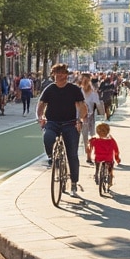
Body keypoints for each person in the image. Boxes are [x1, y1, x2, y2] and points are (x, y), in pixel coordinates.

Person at [37, 64, 87, 194]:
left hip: (70, 123)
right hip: (52, 122)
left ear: (66, 75)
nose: (59, 75)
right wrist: (40, 117)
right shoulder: (49, 89)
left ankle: (74, 182)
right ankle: (53, 158)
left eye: (62, 73)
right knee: (47, 137)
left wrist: (80, 120)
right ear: (53, 75)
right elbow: (41, 105)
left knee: (72, 154)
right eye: (57, 73)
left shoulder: (74, 89)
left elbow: (82, 106)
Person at [89, 122, 122, 189]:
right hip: (108, 158)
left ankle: (96, 173)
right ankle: (110, 178)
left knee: (97, 165)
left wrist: (89, 153)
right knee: (110, 168)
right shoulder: (111, 140)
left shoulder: (94, 140)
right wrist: (117, 158)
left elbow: (89, 148)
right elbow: (116, 150)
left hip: (98, 158)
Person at [79, 72, 101, 164]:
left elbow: (98, 104)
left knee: (86, 137)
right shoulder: (91, 92)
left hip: (84, 116)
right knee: (89, 137)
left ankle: (88, 155)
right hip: (84, 116)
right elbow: (98, 104)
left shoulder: (84, 91)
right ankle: (88, 155)